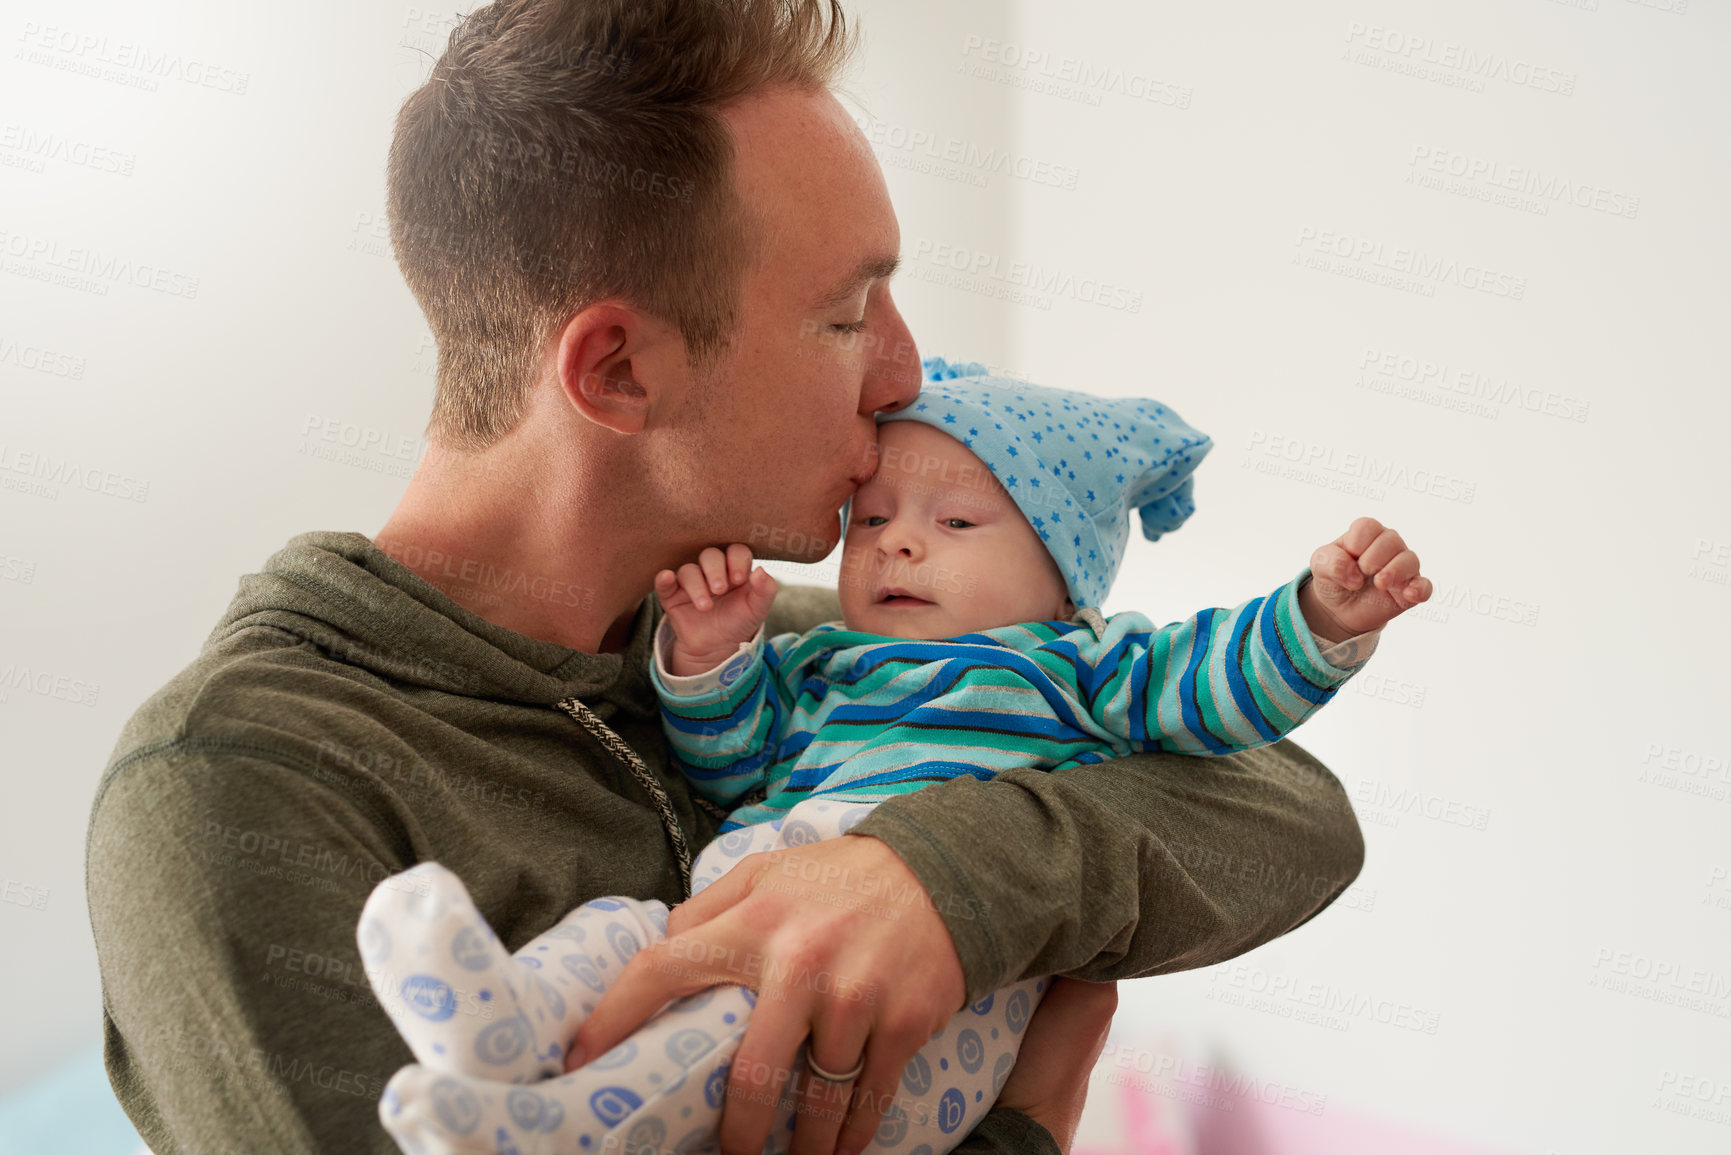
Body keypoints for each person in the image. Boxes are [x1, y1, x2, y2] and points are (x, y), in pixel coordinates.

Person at [82, 4, 1367, 1154]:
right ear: (619, 373)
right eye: (848, 314)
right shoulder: (238, 789)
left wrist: (939, 876)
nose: (910, 377)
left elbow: (1293, 813)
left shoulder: (775, 640)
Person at [356, 364, 1422, 1154]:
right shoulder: (822, 658)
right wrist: (714, 656)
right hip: (732, 917)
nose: (897, 544)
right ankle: (503, 1024)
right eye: (873, 520)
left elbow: (1217, 685)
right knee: (627, 940)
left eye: (955, 519)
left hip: (926, 1023)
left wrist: (1322, 616)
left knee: (731, 1040)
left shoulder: (1081, 666)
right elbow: (733, 759)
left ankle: (541, 1133)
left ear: (1064, 580)